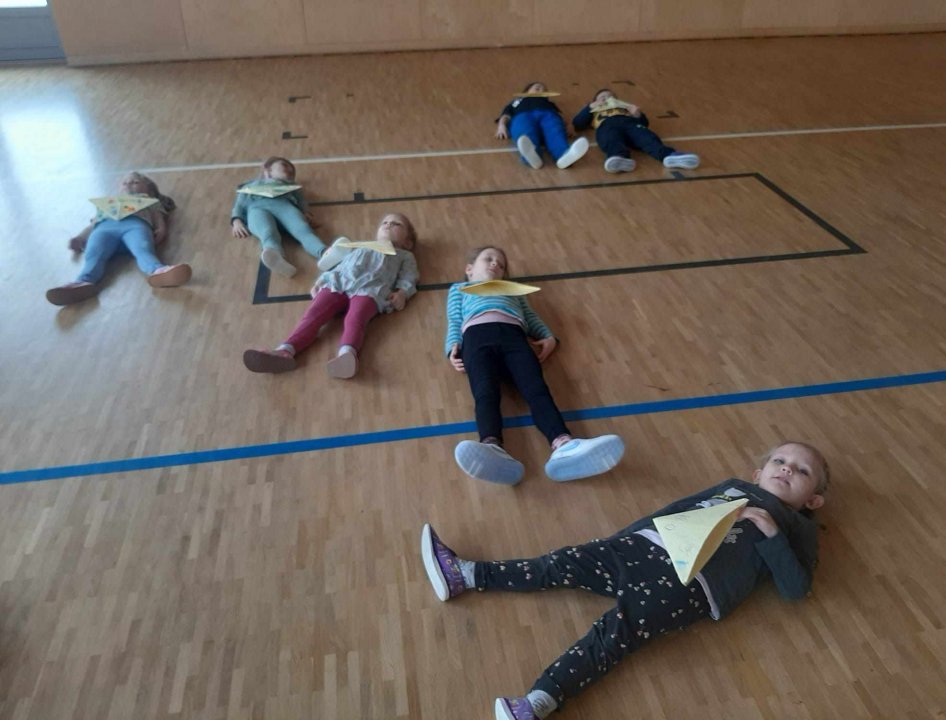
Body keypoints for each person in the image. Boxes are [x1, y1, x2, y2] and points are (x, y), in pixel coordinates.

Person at [422, 441, 829, 720]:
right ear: (758, 473)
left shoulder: (797, 527)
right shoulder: (734, 487)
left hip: (691, 584)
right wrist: (627, 536)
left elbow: (796, 589)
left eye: (802, 470)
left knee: (616, 634)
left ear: (813, 500)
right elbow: (679, 508)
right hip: (643, 546)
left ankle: (537, 703)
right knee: (561, 563)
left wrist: (771, 531)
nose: (787, 469)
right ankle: (465, 574)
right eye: (779, 461)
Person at [446, 246, 624, 484]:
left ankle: (564, 444)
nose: (495, 264)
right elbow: (454, 319)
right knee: (485, 393)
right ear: (469, 269)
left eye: (501, 264)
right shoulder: (459, 289)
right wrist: (452, 347)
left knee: (537, 390)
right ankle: (491, 446)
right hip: (476, 339)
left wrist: (548, 336)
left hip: (514, 338)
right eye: (488, 259)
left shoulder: (512, 290)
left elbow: (530, 316)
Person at [243, 212, 419, 379]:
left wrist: (402, 293)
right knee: (313, 315)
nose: (388, 225)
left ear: (408, 242)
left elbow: (409, 276)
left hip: (371, 289)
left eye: (396, 224)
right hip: (338, 283)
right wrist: (322, 280)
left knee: (355, 318)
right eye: (385, 222)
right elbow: (341, 266)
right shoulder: (361, 246)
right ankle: (285, 350)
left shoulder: (404, 255)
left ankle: (347, 354)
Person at [45, 172, 191, 306]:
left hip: (135, 226)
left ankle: (158, 270)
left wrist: (161, 229)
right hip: (104, 229)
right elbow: (93, 225)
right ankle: (83, 282)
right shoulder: (108, 203)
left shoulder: (150, 201)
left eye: (135, 182)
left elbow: (158, 218)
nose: (129, 184)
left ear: (149, 189)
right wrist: (80, 237)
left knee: (143, 248)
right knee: (94, 253)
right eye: (125, 183)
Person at [230, 156, 325, 277]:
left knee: (302, 228)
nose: (289, 170)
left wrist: (306, 213)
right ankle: (276, 257)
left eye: (292, 172)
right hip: (257, 209)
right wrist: (236, 220)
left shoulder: (291, 187)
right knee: (267, 231)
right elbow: (239, 204)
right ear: (268, 169)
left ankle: (323, 251)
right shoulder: (249, 186)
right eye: (284, 165)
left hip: (284, 206)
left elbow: (301, 201)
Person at [572, 89, 700, 173]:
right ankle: (619, 158)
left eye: (611, 96)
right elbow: (578, 123)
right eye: (603, 97)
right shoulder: (593, 109)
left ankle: (669, 156)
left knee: (646, 137)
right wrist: (589, 107)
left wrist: (638, 115)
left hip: (630, 124)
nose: (608, 98)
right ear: (595, 101)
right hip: (607, 125)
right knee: (610, 139)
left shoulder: (624, 107)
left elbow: (644, 124)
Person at [495, 82, 589, 170]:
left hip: (548, 115)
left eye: (544, 90)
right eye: (537, 87)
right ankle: (533, 155)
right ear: (527, 91)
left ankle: (564, 155)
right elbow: (506, 115)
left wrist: (569, 125)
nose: (541, 89)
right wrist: (501, 125)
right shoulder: (516, 102)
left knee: (555, 130)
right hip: (523, 116)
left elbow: (560, 116)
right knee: (524, 131)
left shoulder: (550, 104)